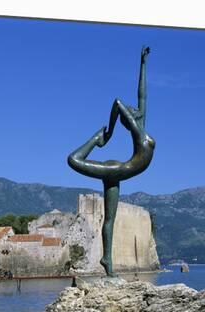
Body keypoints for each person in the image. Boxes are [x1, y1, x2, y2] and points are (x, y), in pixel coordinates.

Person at [67, 46, 155, 277]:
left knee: (110, 219)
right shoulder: (136, 129)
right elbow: (117, 103)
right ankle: (95, 139)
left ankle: (107, 261)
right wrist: (109, 133)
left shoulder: (141, 124)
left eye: (136, 109)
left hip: (117, 173)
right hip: (117, 169)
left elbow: (142, 94)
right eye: (134, 110)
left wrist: (143, 63)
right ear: (131, 119)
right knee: (73, 160)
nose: (137, 109)